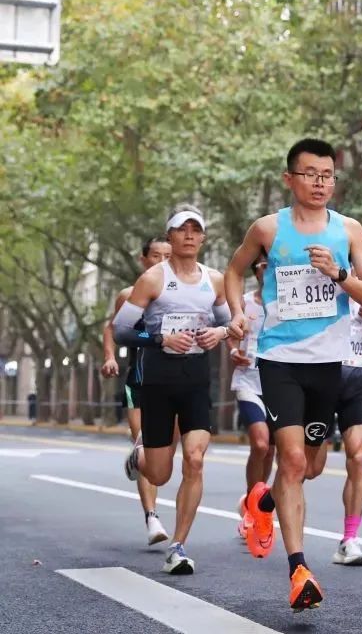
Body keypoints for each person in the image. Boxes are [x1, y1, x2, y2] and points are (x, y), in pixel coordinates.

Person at [225, 138, 362, 611]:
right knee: (291, 460)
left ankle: (262, 503)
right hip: (280, 359)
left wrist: (339, 274)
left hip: (329, 364)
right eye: (310, 174)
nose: (319, 183)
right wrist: (237, 313)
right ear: (289, 178)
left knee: (310, 468)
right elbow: (233, 272)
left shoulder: (349, 230)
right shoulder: (268, 228)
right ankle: (299, 571)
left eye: (327, 175)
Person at [114, 206, 231, 575]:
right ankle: (140, 458)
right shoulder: (153, 279)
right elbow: (121, 330)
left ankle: (178, 546)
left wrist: (219, 333)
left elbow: (231, 323)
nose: (190, 236)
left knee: (194, 459)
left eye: (196, 230)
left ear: (203, 238)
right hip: (158, 382)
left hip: (196, 380)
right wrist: (160, 338)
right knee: (160, 475)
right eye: (183, 230)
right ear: (171, 236)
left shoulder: (214, 280)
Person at [306, 294, 362, 567]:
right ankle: (265, 502)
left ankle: (349, 540)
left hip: (356, 381)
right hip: (323, 379)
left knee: (358, 456)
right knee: (309, 468)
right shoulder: (322, 284)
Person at [101, 235, 172, 547]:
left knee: (167, 455)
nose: (162, 261)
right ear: (144, 260)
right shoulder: (129, 296)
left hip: (177, 382)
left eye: (167, 255)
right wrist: (109, 357)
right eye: (156, 255)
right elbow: (111, 328)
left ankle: (139, 463)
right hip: (140, 382)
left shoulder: (187, 295)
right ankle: (152, 516)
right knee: (145, 446)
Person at [228, 250, 275, 540]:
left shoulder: (288, 303)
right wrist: (234, 350)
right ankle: (252, 508)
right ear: (256, 270)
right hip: (249, 382)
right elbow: (231, 332)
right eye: (263, 266)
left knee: (270, 450)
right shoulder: (245, 303)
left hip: (278, 384)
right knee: (260, 443)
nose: (267, 270)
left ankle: (255, 504)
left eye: (273, 265)